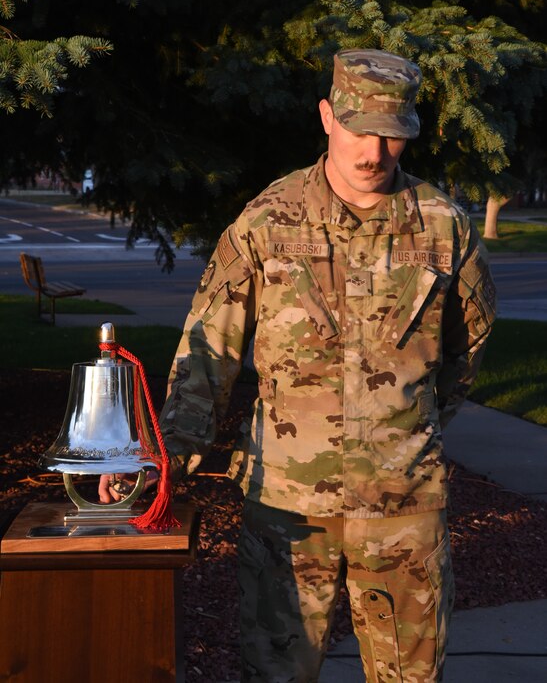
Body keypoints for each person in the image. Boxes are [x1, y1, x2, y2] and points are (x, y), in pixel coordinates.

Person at [158, 48, 496, 682]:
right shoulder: (268, 220)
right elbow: (209, 349)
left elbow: (467, 349)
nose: (373, 152)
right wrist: (167, 458)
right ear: (326, 118)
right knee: (276, 675)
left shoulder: (444, 227)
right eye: (358, 130)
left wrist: (405, 430)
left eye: (392, 136)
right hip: (286, 509)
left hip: (403, 508)